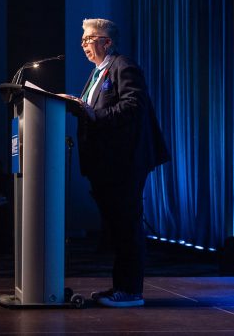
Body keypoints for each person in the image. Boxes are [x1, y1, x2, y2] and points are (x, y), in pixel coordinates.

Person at [62, 18, 170, 308]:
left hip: (124, 162)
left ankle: (131, 291)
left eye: (88, 39)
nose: (83, 44)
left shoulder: (123, 66)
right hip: (105, 163)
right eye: (82, 39)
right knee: (117, 228)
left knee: (126, 226)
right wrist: (78, 105)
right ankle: (119, 287)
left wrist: (95, 115)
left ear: (106, 42)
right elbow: (94, 109)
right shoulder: (97, 73)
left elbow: (135, 105)